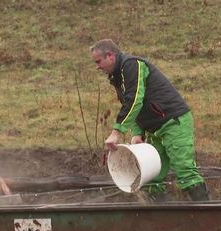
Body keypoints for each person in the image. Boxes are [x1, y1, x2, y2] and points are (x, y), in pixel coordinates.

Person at [90, 39, 209, 201]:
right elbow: (134, 106)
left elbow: (134, 100)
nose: (97, 66)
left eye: (98, 61)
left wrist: (116, 132)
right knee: (150, 176)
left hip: (173, 121)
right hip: (154, 129)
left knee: (185, 171)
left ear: (110, 56)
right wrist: (138, 132)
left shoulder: (132, 65)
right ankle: (163, 220)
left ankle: (209, 217)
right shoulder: (117, 76)